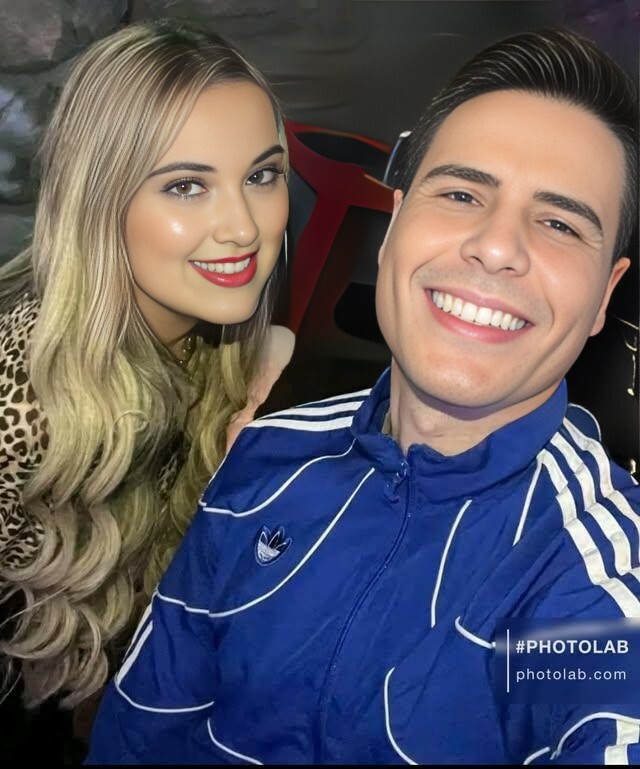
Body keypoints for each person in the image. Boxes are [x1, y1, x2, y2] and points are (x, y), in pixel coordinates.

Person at [87, 28, 640, 764]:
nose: (497, 246)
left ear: (605, 295)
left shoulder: (591, 582)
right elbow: (143, 728)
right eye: (461, 193)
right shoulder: (266, 457)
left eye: (559, 223)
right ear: (393, 227)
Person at [0, 19, 295, 717]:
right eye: (187, 186)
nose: (244, 227)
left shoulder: (222, 338)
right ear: (99, 200)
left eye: (262, 175)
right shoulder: (23, 414)